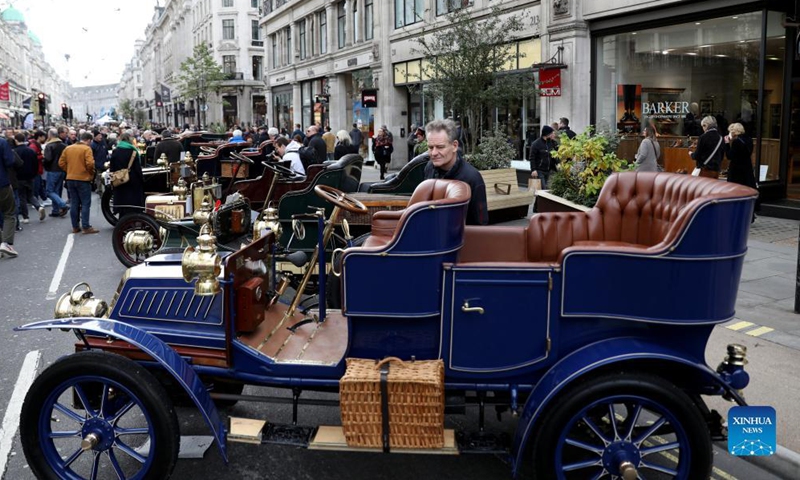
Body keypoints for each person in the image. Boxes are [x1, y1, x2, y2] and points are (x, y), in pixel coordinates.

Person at [423, 119, 488, 225]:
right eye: (430, 147)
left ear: (454, 146)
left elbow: (480, 224)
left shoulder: (473, 178)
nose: (434, 153)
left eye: (440, 147)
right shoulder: (429, 167)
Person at [59, 132, 98, 234]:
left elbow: (61, 163)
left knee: (74, 203)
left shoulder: (68, 148)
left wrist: (69, 170)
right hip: (83, 179)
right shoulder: (86, 149)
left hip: (70, 178)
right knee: (85, 203)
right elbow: (90, 164)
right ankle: (86, 226)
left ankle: (75, 226)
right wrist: (90, 173)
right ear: (88, 140)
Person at [724, 122, 757, 220]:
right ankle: (749, 215)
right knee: (746, 191)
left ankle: (735, 214)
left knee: (736, 193)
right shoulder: (749, 139)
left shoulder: (737, 142)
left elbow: (730, 155)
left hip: (736, 170)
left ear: (734, 132)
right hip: (747, 168)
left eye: (731, 131)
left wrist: (726, 143)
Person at [109, 132, 146, 219]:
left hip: (119, 180)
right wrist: (142, 179)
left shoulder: (115, 151)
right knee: (133, 203)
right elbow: (137, 168)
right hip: (133, 180)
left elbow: (112, 167)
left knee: (123, 202)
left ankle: (122, 219)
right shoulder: (133, 151)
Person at [13, 133, 46, 224]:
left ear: (16, 140)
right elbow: (36, 163)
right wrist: (34, 173)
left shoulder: (14, 151)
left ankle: (25, 217)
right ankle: (39, 207)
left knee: (22, 197)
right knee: (30, 195)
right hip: (30, 176)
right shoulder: (31, 151)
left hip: (19, 177)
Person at [43, 127, 69, 217]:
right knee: (57, 190)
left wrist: (44, 162)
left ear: (50, 135)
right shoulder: (63, 145)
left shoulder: (49, 145)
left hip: (53, 170)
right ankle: (55, 210)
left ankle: (62, 204)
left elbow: (48, 158)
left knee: (49, 191)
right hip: (62, 170)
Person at [0, 135, 18, 257]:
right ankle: (6, 243)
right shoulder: (2, 142)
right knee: (9, 213)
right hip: (2, 182)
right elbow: (10, 161)